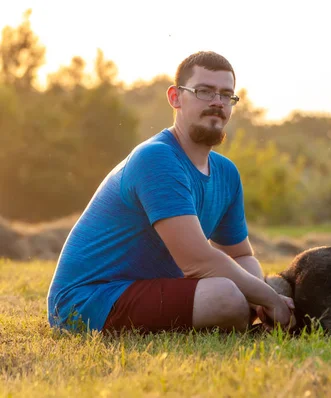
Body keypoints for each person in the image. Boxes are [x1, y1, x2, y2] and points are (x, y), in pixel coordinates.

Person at [47, 51, 295, 334]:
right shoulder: (156, 158)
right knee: (226, 297)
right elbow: (198, 261)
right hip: (89, 301)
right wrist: (268, 299)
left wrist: (259, 300)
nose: (217, 102)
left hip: (149, 290)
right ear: (175, 97)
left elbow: (241, 255)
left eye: (226, 95)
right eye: (204, 91)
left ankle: (235, 315)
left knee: (242, 290)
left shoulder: (226, 173)